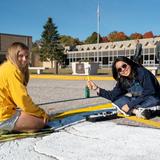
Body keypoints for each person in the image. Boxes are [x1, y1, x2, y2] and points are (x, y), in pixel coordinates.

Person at [87, 56, 160, 119]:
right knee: (116, 99)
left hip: (152, 98)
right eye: (119, 69)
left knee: (153, 100)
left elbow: (150, 91)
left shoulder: (142, 72)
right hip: (138, 101)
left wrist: (129, 105)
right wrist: (96, 88)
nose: (123, 69)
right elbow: (113, 95)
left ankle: (132, 110)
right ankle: (137, 111)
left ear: (129, 63)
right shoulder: (122, 80)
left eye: (124, 66)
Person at [0, 42, 49, 134]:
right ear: (13, 55)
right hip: (3, 115)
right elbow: (23, 100)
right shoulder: (12, 71)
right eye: (20, 56)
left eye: (27, 56)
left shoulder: (7, 66)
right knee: (41, 121)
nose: (24, 59)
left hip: (5, 109)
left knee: (33, 115)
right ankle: (3, 126)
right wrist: (40, 113)